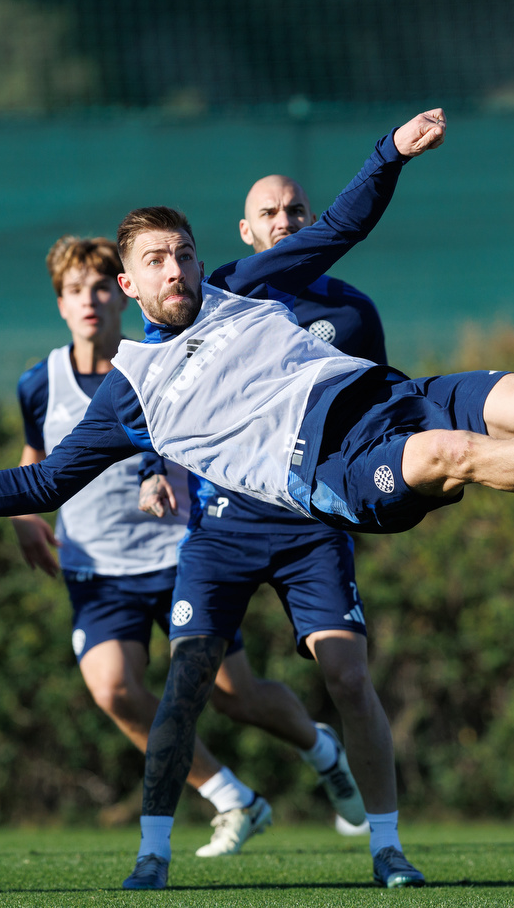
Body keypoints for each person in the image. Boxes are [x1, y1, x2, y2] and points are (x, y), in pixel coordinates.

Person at [0, 108, 514, 890]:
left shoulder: (244, 285)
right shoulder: (132, 391)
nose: (175, 270)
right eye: (155, 262)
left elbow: (338, 227)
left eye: (183, 253)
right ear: (130, 287)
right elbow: (40, 482)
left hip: (388, 398)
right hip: (334, 472)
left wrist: (389, 150)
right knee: (453, 456)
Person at [9, 236, 366, 857]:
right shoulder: (39, 381)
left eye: (99, 287)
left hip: (178, 554)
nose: (88, 301)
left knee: (236, 695)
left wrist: (158, 473)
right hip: (96, 566)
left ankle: (321, 749)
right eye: (74, 291)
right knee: (113, 688)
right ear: (59, 304)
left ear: (124, 293)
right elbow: (36, 459)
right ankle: (234, 799)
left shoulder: (169, 357)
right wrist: (21, 515)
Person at [135, 173, 390, 841]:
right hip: (226, 527)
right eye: (267, 212)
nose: (284, 220)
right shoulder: (220, 294)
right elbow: (161, 391)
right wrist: (150, 467)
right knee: (214, 686)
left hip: (312, 524)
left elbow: (376, 420)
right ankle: (162, 849)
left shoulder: (355, 313)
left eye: (295, 208)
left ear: (315, 218)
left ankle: (388, 846)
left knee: (348, 675)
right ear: (247, 233)